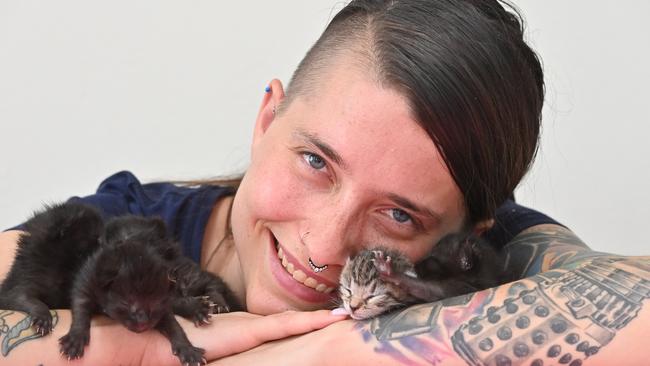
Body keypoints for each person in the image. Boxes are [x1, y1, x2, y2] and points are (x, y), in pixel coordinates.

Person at [1, 0, 648, 365]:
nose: (324, 246)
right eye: (316, 163)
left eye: (398, 216)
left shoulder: (470, 260)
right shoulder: (122, 229)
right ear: (266, 119)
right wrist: (141, 354)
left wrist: (325, 350)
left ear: (468, 234)